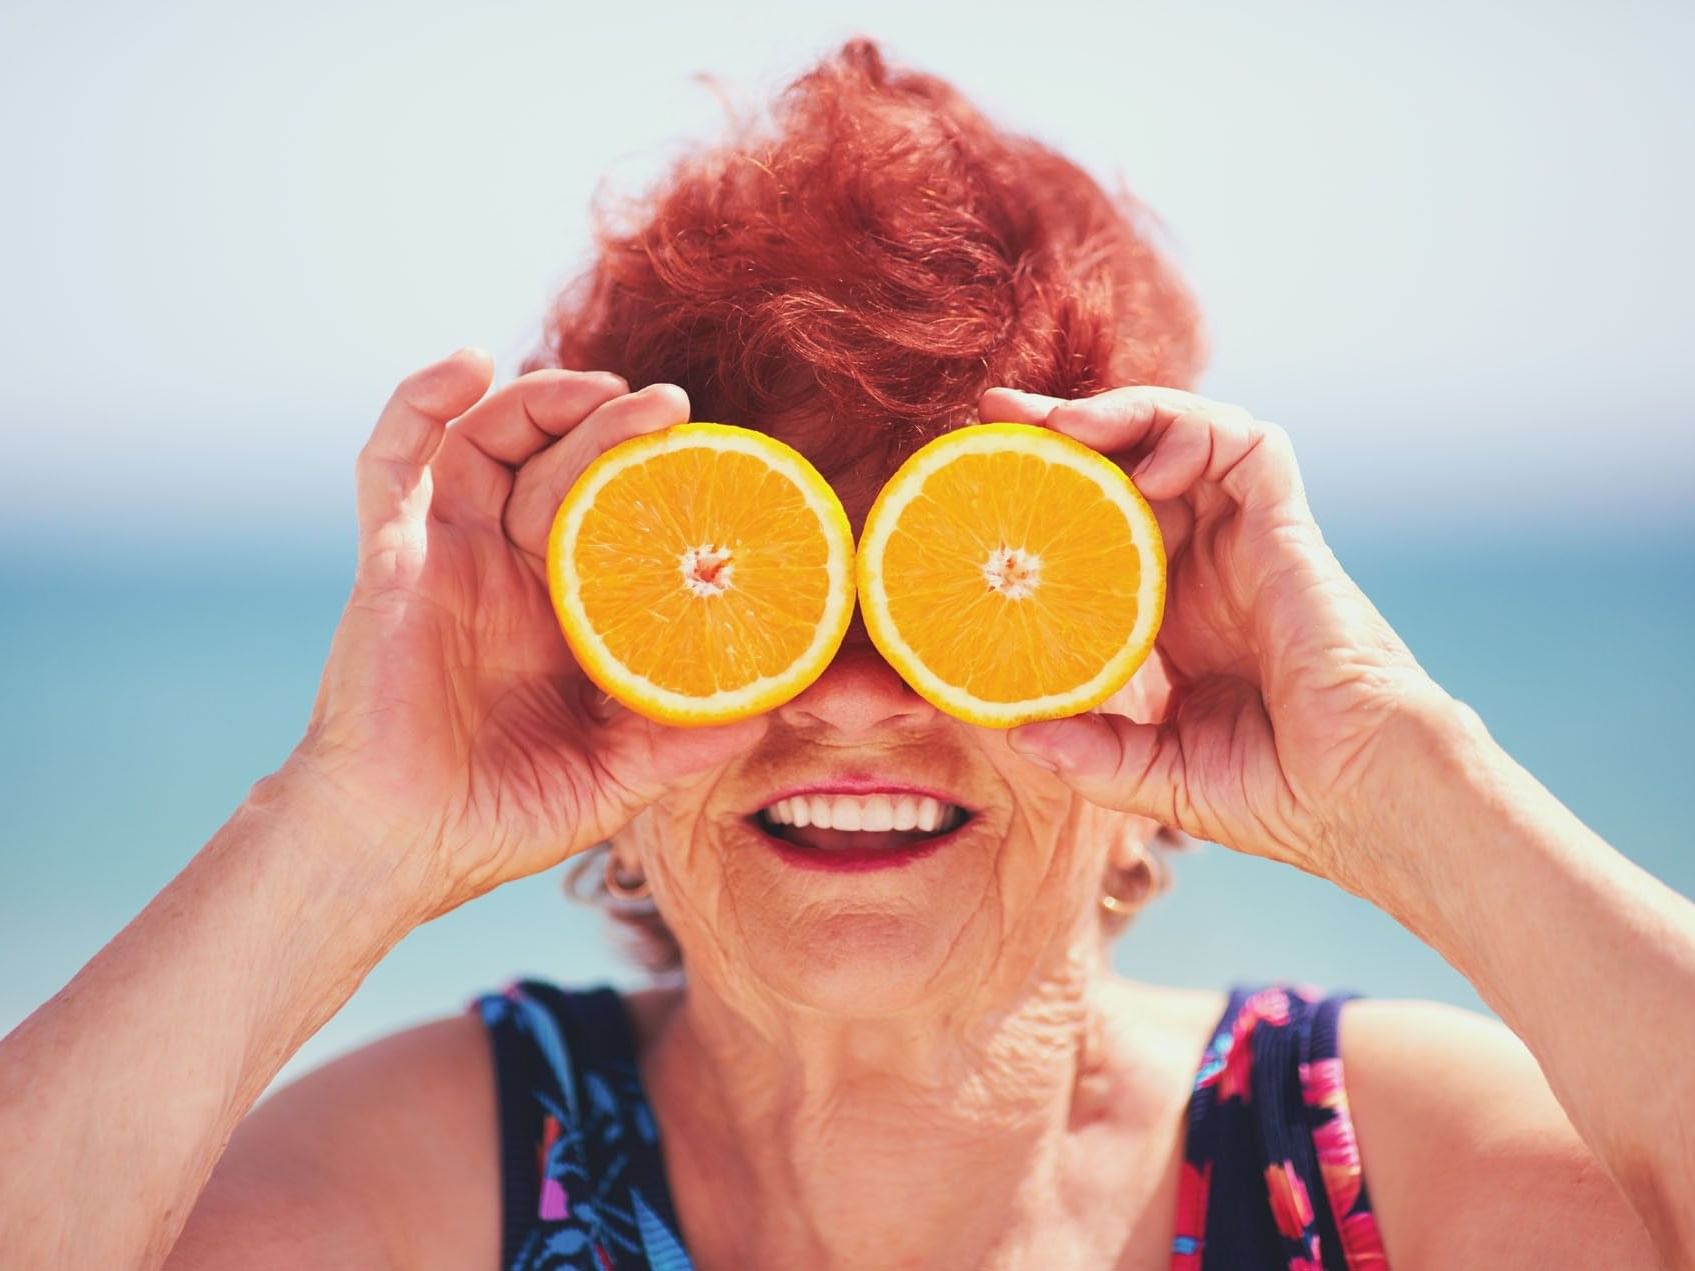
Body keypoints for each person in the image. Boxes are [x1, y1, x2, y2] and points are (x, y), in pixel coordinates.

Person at [1, 39, 1690, 1271]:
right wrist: (341, 836)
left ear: (1163, 651)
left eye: (973, 592)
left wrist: (1404, 774)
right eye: (760, 595)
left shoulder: (1372, 1168)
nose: (861, 695)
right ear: (598, 646)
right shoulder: (430, 1191)